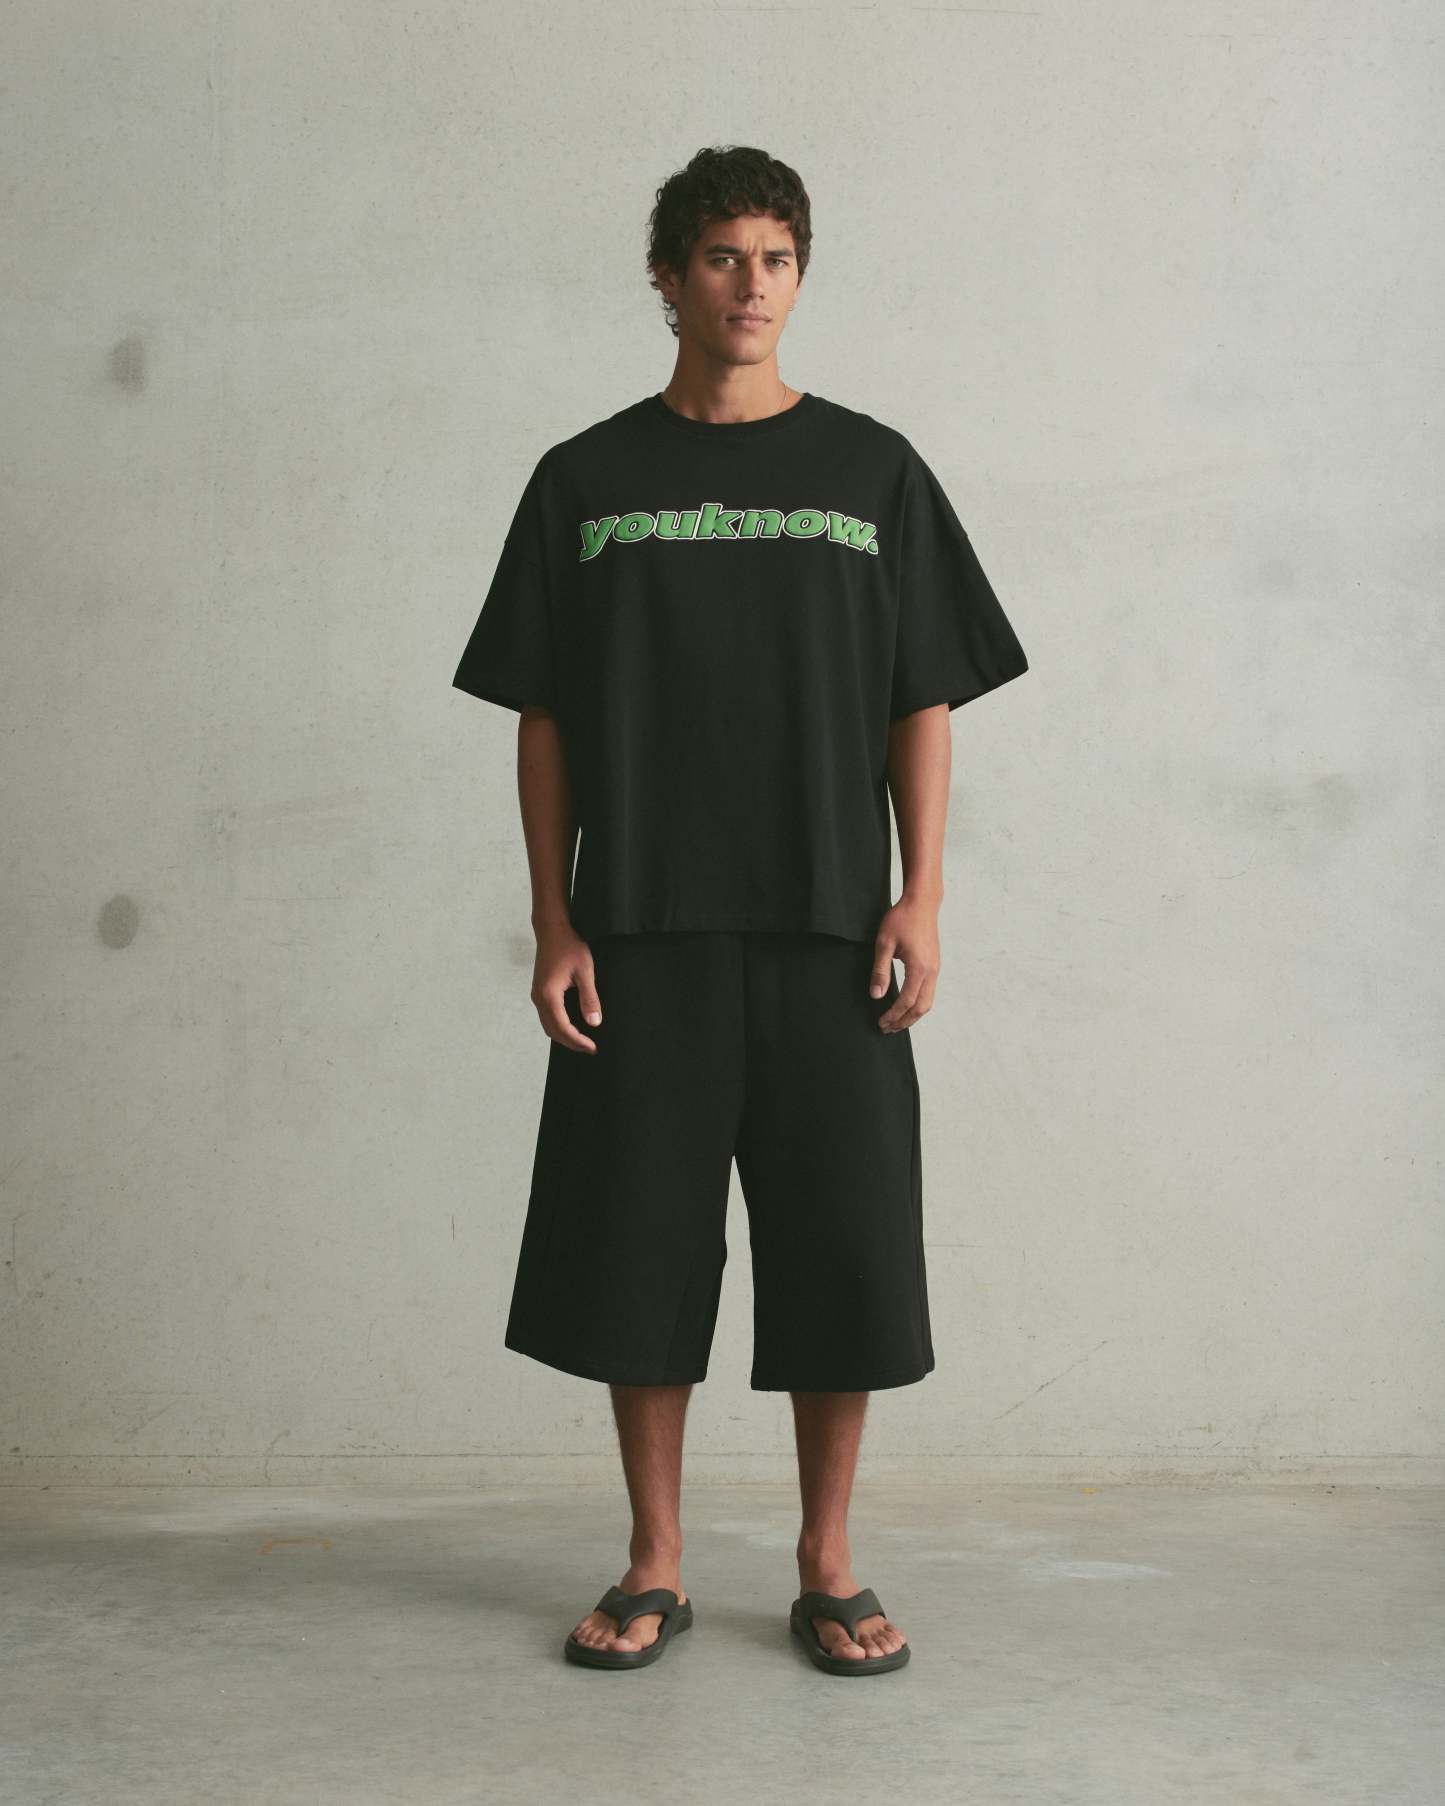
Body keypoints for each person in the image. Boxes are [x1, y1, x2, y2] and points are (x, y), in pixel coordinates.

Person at [452, 145, 1029, 1675]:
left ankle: (827, 1559)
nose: (750, 284)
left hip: (831, 927)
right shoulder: (585, 481)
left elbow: (920, 697)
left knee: (842, 1242)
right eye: (720, 256)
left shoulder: (870, 471)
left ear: (799, 274)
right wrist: (553, 918)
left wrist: (919, 895)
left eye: (775, 257)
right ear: (667, 277)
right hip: (639, 930)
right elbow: (542, 715)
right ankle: (654, 1558)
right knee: (636, 1247)